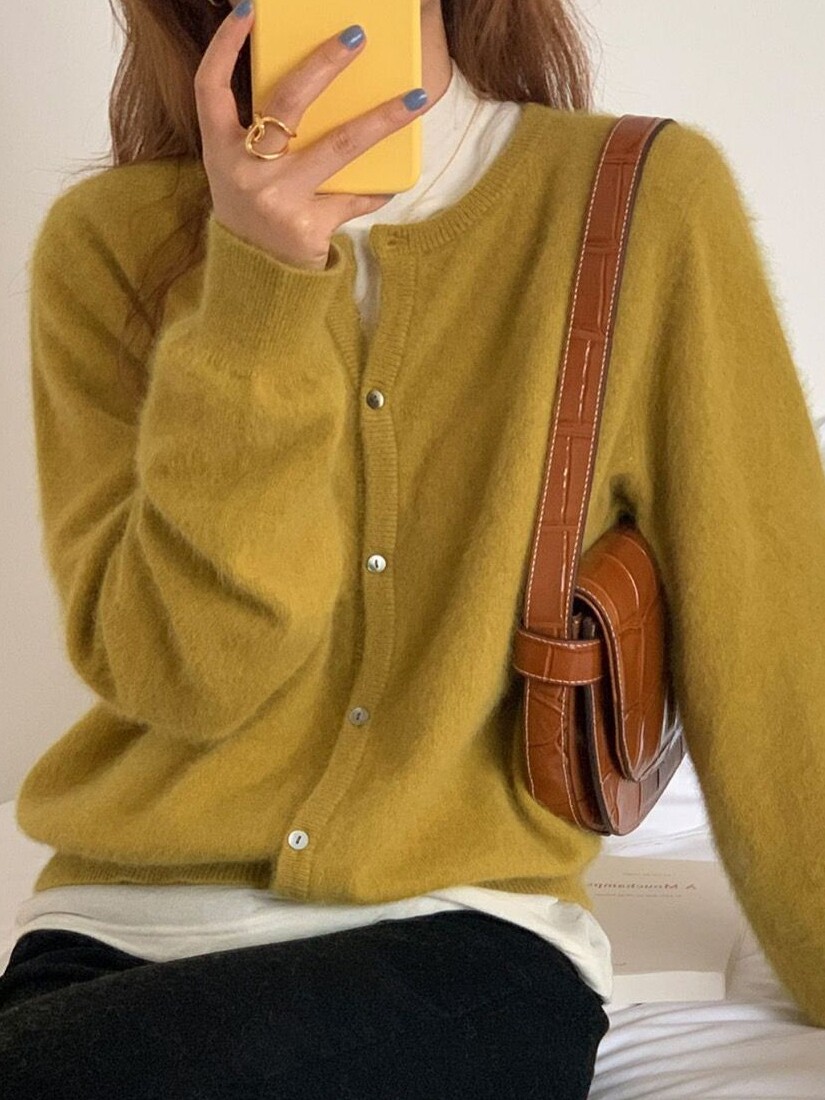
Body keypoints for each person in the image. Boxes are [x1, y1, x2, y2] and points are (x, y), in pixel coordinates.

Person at [2, 0, 824, 1096]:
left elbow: (769, 621)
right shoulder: (108, 241)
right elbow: (185, 675)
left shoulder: (638, 203)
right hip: (112, 934)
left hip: (461, 937)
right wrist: (257, 291)